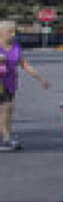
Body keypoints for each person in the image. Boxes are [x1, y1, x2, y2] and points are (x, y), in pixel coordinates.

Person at [0, 19, 49, 151]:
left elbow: (24, 65)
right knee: (5, 108)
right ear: (1, 32)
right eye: (10, 31)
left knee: (8, 111)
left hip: (10, 83)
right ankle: (6, 139)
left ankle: (6, 138)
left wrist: (40, 78)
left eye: (14, 31)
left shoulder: (16, 47)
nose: (13, 34)